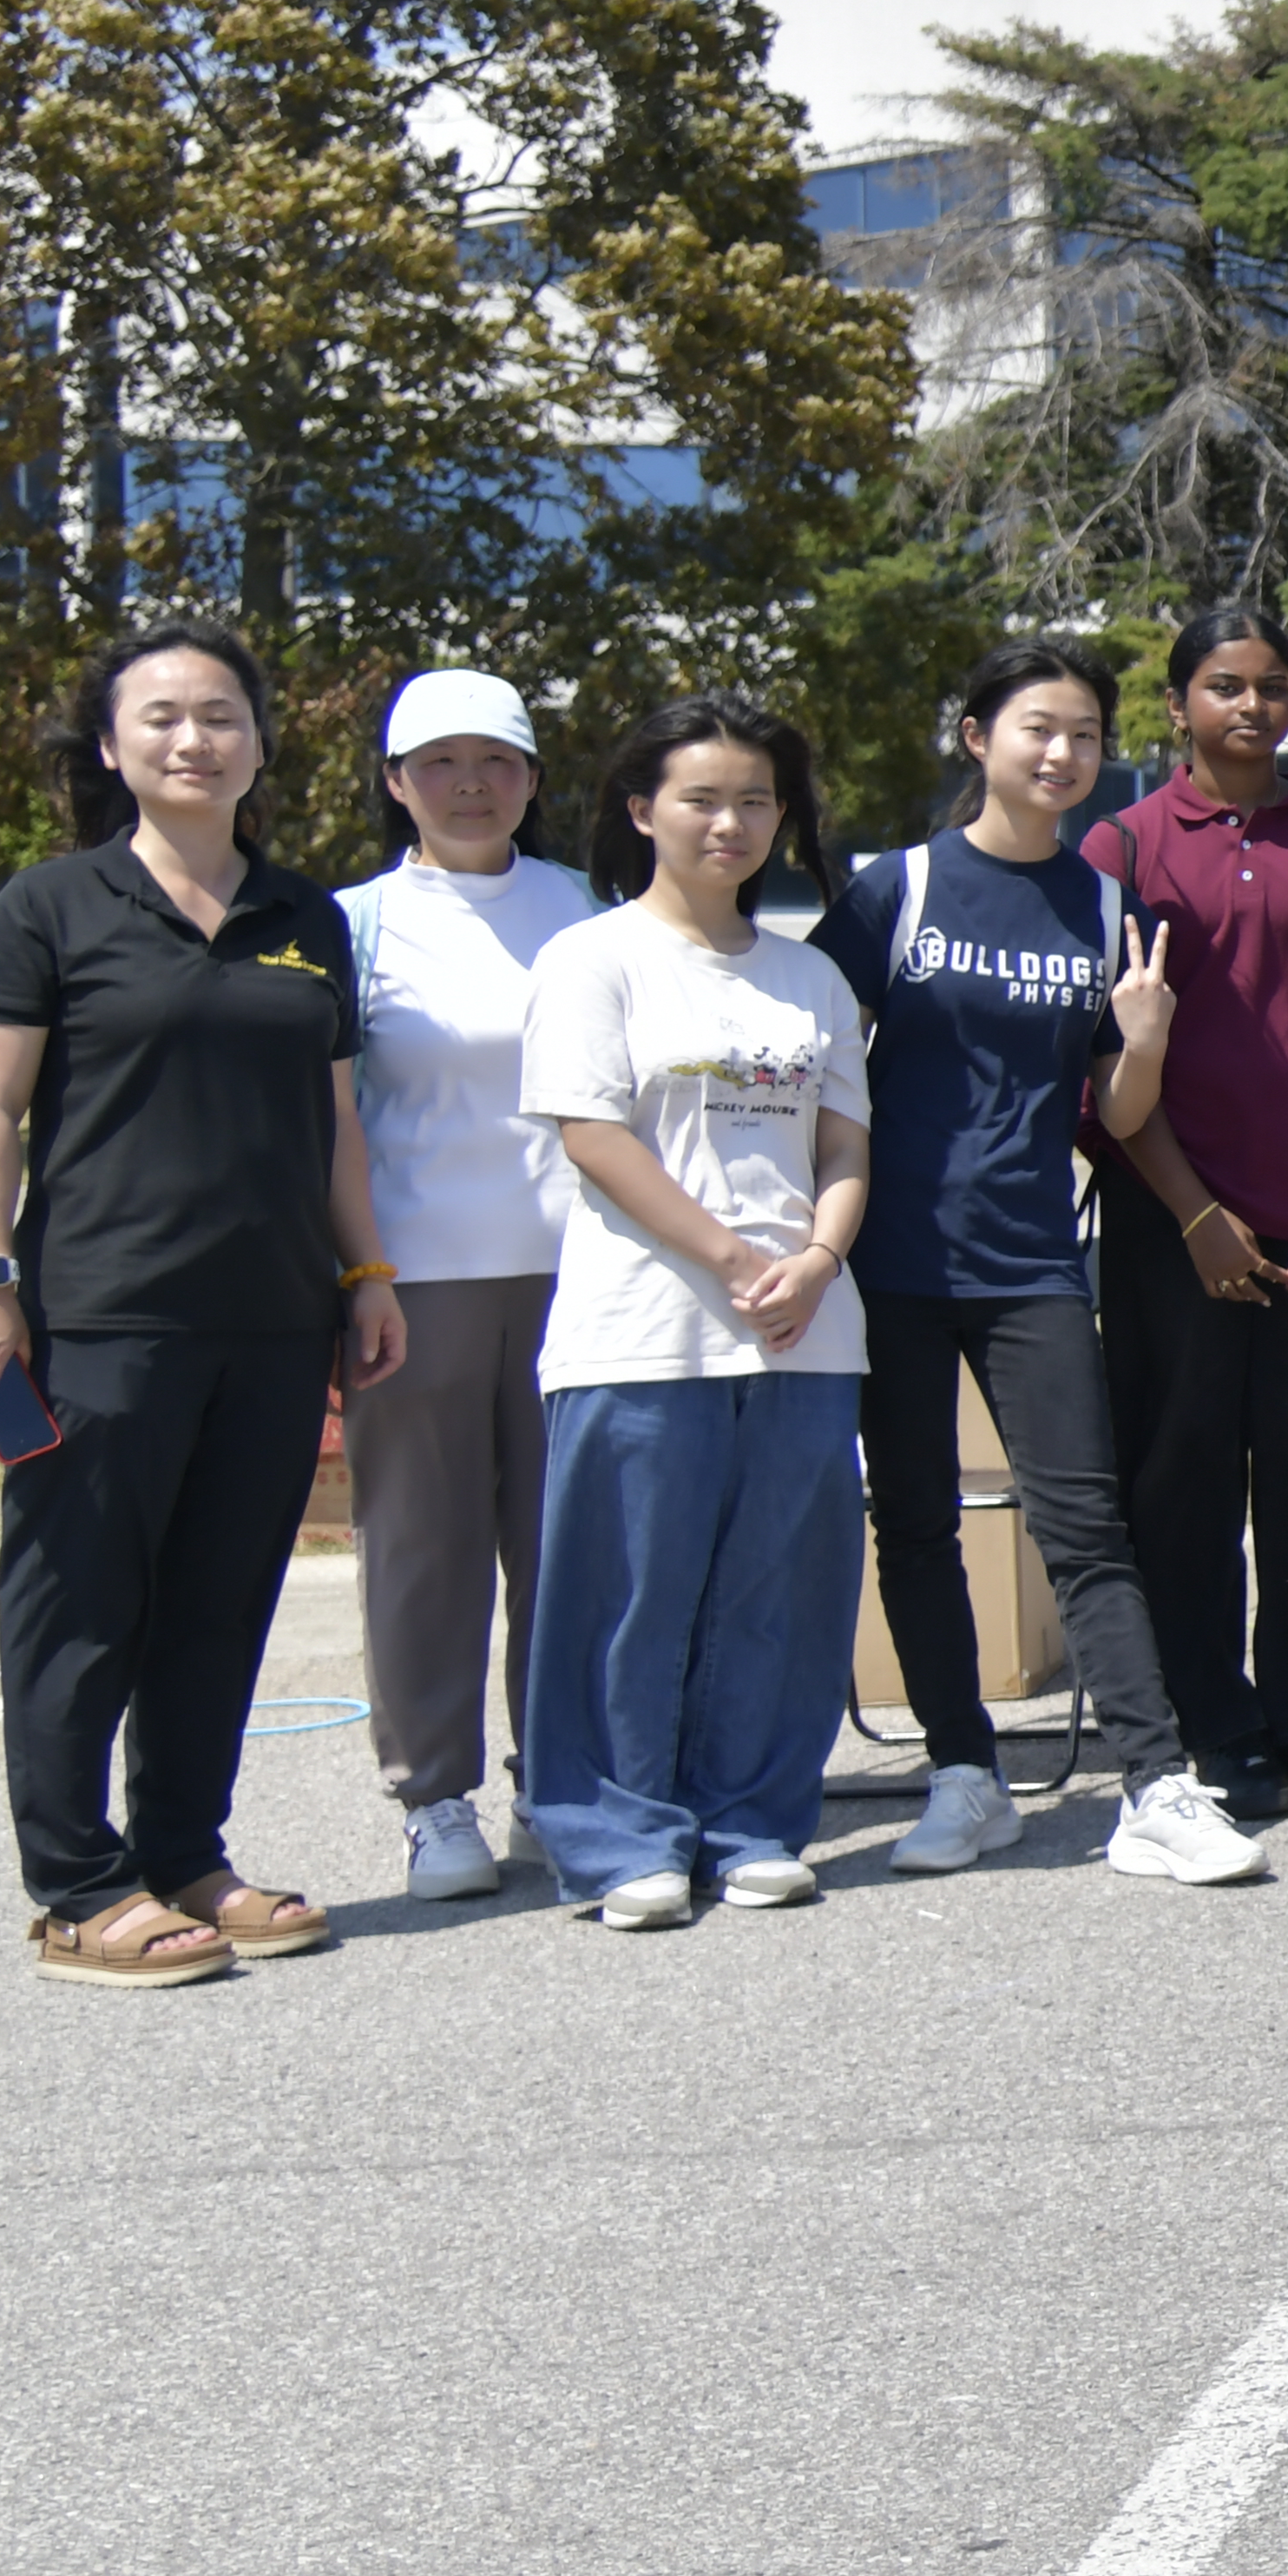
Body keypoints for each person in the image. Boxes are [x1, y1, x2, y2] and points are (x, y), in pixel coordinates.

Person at [0, 624, 405, 1990]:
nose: (193, 739)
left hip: (275, 1322)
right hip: (101, 1320)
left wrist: (365, 1275)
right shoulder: (46, 909)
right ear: (110, 746)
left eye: (221, 715)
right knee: (79, 1607)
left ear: (259, 743)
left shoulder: (306, 917)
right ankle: (78, 1888)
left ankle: (186, 1856)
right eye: (160, 717)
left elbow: (335, 1123)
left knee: (218, 1604)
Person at [847, 642, 1219, 1884]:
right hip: (890, 1261)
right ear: (977, 737)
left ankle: (1155, 1784)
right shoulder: (896, 888)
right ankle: (965, 1775)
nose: (1062, 754)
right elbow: (825, 1070)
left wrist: (1147, 1040)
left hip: (1033, 1262)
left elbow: (1118, 1112)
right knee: (914, 1521)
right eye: (1037, 729)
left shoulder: (1103, 904)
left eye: (1084, 735)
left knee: (1084, 1525)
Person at [522, 694, 877, 1926]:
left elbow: (845, 1145)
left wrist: (817, 1261)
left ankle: (754, 1820)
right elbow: (592, 1136)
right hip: (644, 1327)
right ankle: (619, 1838)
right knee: (627, 1596)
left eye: (755, 801)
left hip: (805, 1333)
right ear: (642, 810)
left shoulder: (811, 974)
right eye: (701, 799)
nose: (731, 823)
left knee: (778, 1589)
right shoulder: (593, 957)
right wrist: (733, 1259)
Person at [1087, 605, 1288, 1826]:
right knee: (1183, 1478)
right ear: (1178, 706)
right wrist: (1192, 1214)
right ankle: (1213, 1722)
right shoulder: (1121, 848)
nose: (1253, 706)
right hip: (1174, 1218)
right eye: (1226, 685)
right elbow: (1106, 1059)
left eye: (1273, 685)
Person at [340, 666, 595, 1907]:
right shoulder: (352, 924)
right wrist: (357, 1274)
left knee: (568, 1546)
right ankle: (434, 1798)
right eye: (438, 762)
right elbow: (333, 1118)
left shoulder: (585, 907)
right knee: (423, 1551)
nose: (470, 784)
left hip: (579, 1273)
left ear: (533, 777)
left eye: (495, 760)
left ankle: (558, 1782)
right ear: (397, 782)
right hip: (414, 1280)